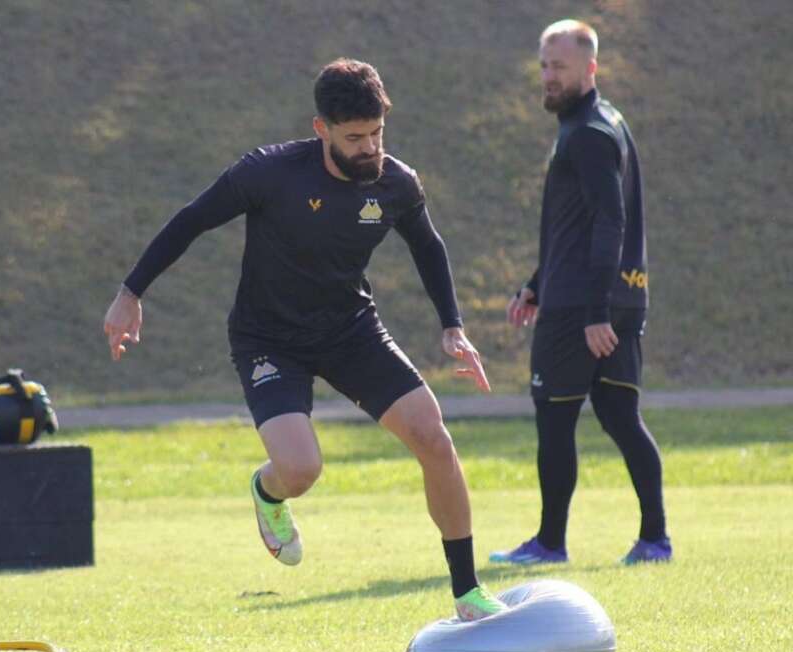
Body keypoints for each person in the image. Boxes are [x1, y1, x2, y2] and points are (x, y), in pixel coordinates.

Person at [104, 58, 506, 620]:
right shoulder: (269, 173)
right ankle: (268, 493)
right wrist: (131, 292)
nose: (370, 148)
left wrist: (453, 328)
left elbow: (428, 246)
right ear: (322, 129)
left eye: (377, 133)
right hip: (269, 338)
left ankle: (467, 593)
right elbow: (191, 220)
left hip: (350, 330)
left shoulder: (396, 182)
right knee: (300, 471)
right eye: (355, 138)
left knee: (433, 438)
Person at [492, 20, 671, 566]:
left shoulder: (589, 133)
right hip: (607, 296)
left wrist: (595, 311)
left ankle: (550, 544)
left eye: (560, 68)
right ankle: (655, 540)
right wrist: (535, 284)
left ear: (590, 68)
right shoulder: (596, 123)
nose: (549, 77)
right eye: (544, 66)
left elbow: (609, 223)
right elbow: (574, 225)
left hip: (583, 310)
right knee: (619, 416)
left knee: (555, 416)